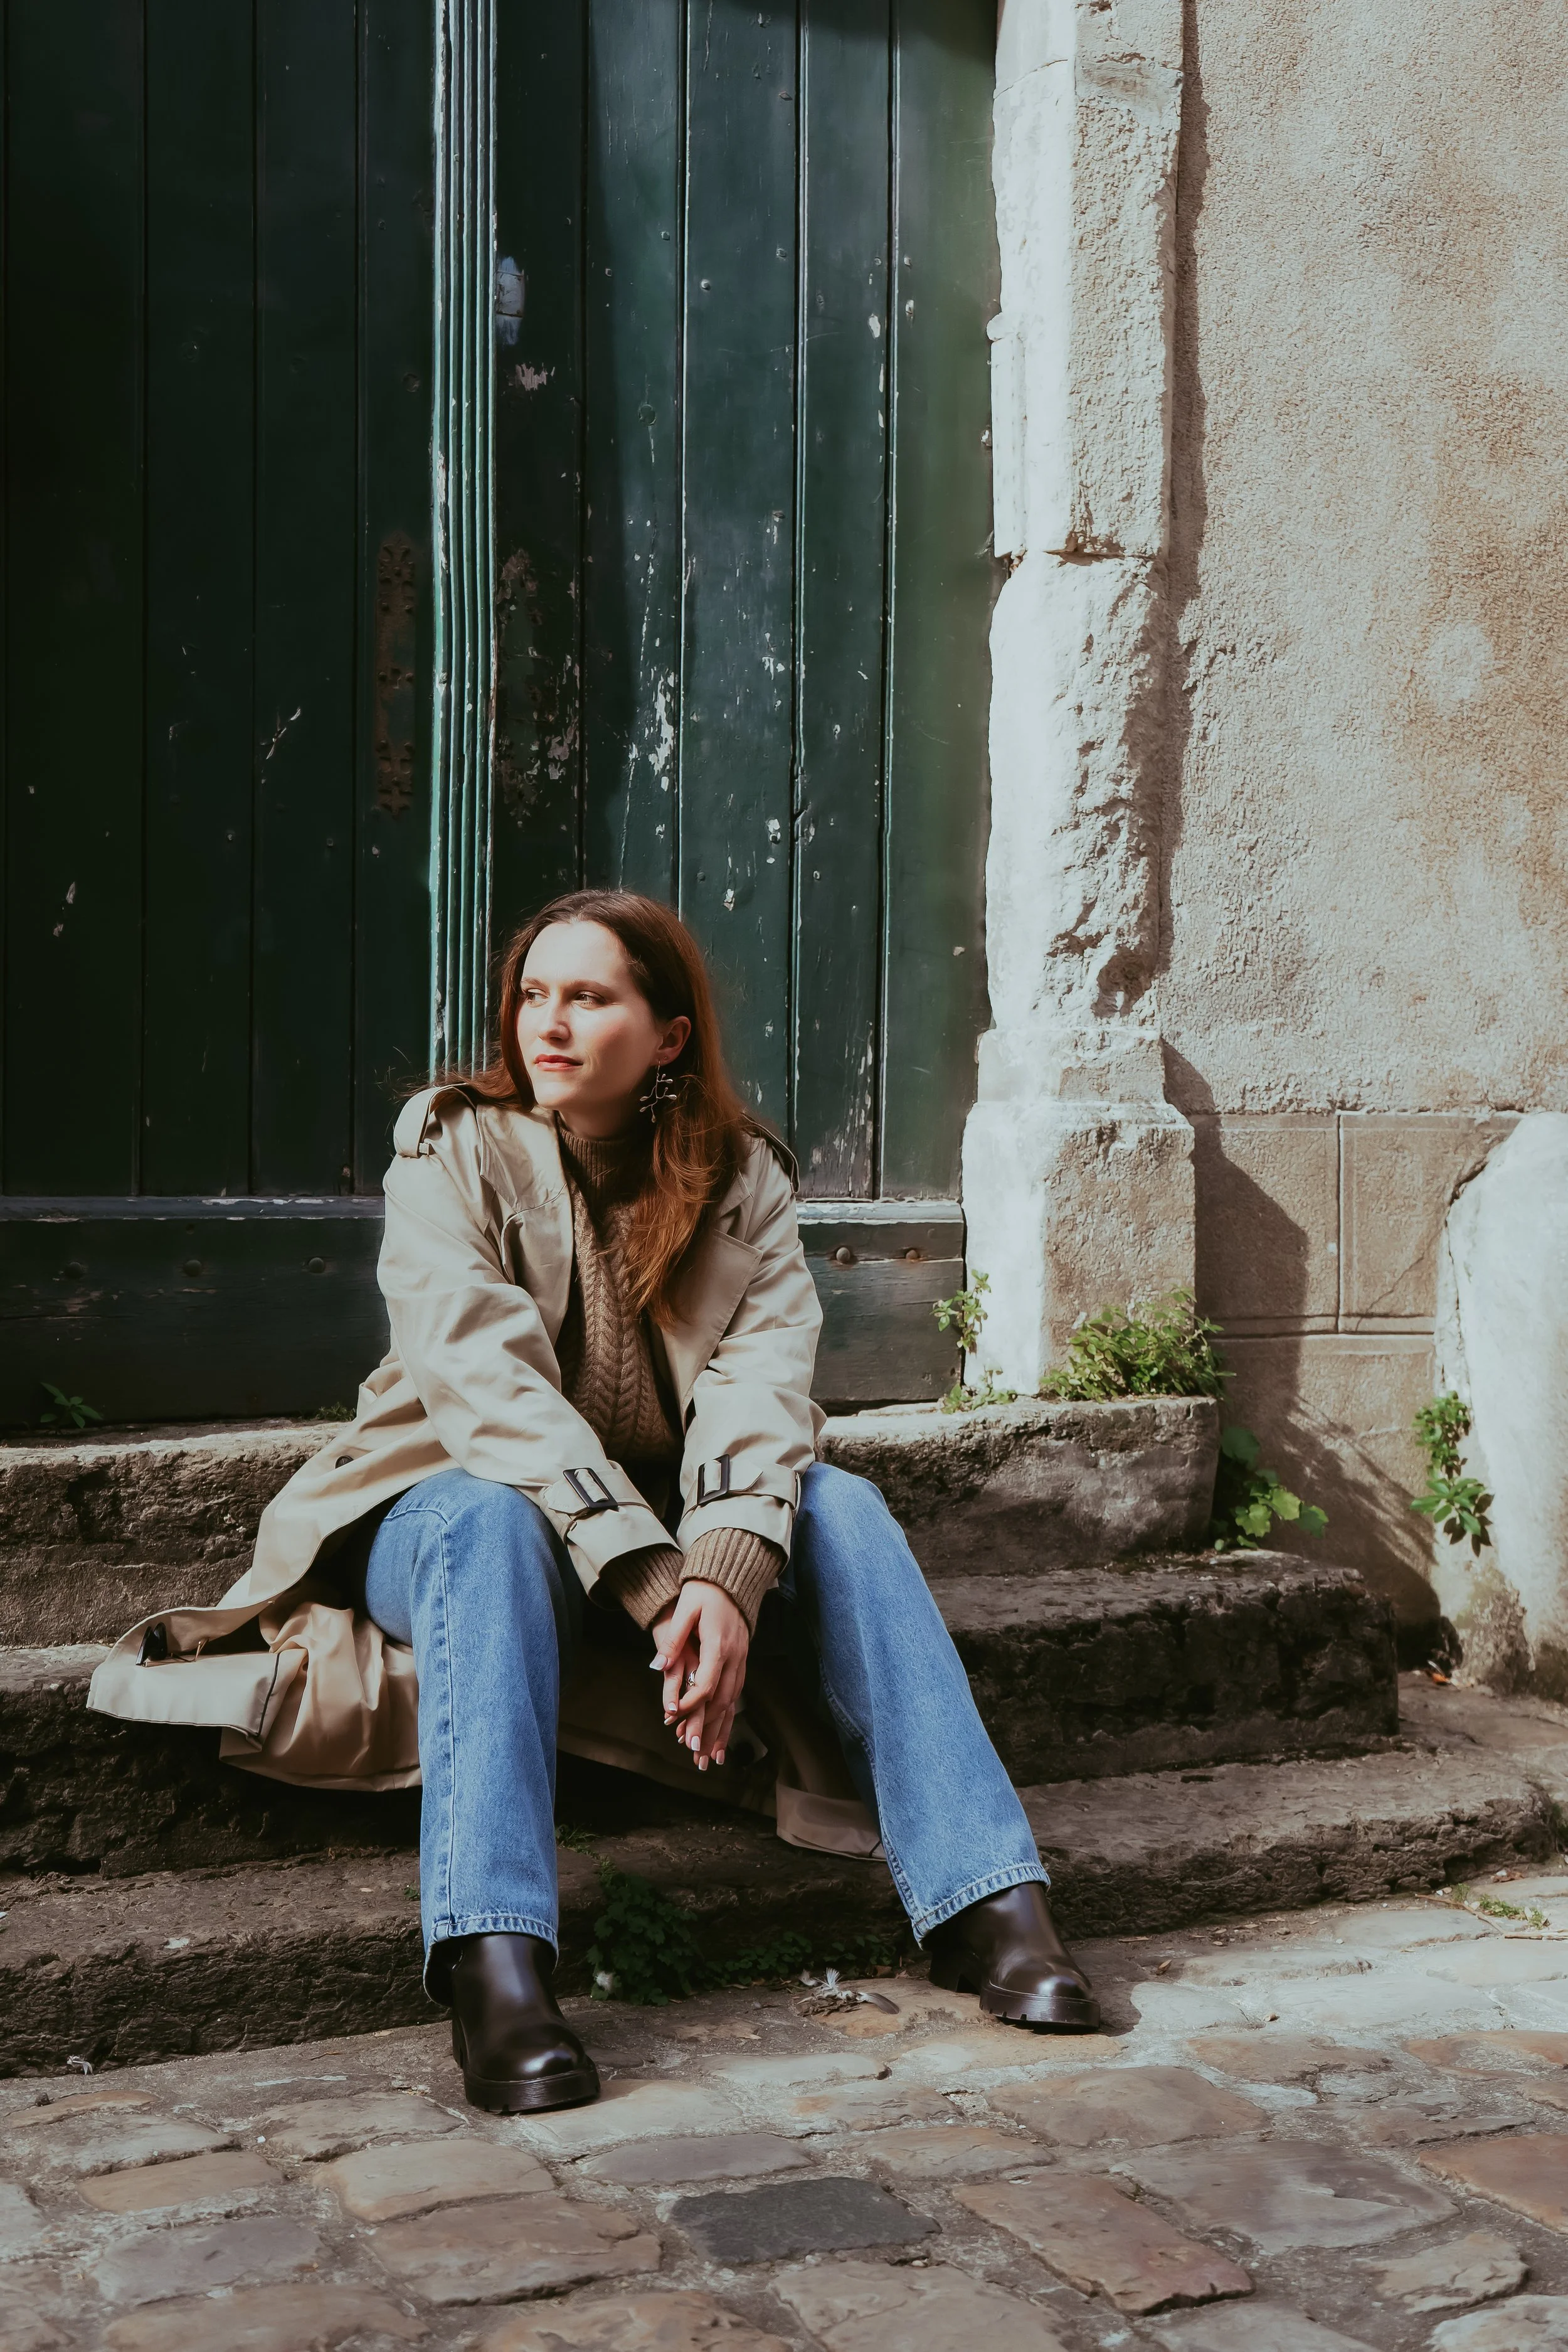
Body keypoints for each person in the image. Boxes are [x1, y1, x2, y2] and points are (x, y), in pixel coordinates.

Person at [88, 891, 1098, 2114]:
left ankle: (991, 1903)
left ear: (667, 1034)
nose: (547, 1022)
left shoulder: (743, 1181)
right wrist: (655, 1574)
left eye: (589, 995)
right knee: (489, 1515)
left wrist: (724, 1567)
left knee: (847, 1506)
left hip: (671, 1519)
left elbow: (761, 1389)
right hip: (438, 1507)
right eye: (531, 993)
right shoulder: (451, 1149)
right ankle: (496, 1962)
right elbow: (488, 1386)